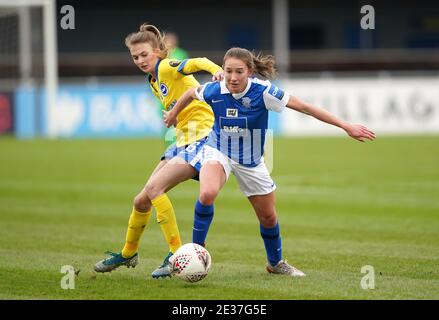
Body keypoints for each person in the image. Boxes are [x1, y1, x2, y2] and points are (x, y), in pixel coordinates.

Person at [164, 47, 376, 276]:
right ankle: (197, 251)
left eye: (239, 72)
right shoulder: (215, 89)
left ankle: (275, 263)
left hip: (251, 161)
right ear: (222, 71)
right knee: (207, 193)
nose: (233, 78)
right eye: (228, 71)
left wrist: (346, 126)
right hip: (217, 151)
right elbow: (190, 93)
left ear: (250, 72)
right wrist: (174, 114)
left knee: (268, 216)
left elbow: (306, 107)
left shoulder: (264, 92)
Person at [94, 23, 224, 278]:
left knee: (155, 189)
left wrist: (218, 71)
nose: (140, 60)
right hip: (182, 140)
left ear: (158, 52)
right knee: (141, 200)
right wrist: (175, 116)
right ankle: (128, 253)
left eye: (145, 54)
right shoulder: (153, 80)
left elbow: (199, 62)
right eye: (135, 57)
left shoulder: (165, 66)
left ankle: (176, 255)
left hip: (202, 138)